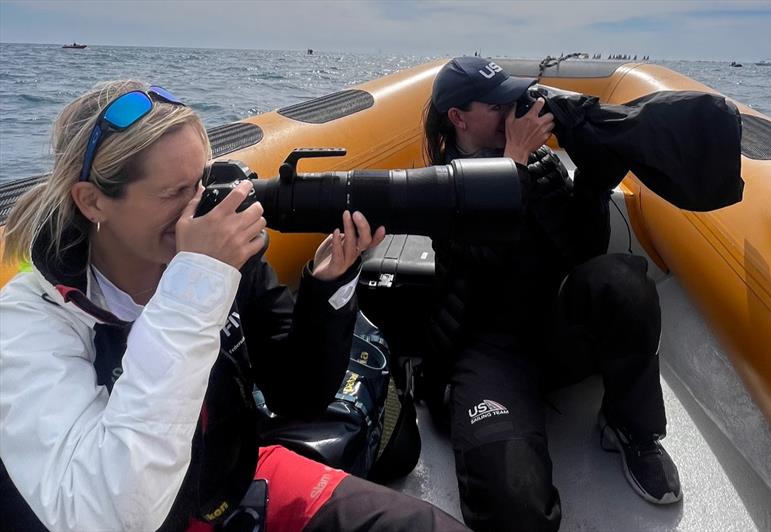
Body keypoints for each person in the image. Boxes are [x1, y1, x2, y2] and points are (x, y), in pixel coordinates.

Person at [0, 80, 469, 532]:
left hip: (232, 485)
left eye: (201, 183)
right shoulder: (32, 322)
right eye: (173, 194)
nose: (199, 209)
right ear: (93, 201)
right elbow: (105, 510)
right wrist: (194, 284)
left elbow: (299, 396)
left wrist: (327, 287)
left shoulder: (224, 262)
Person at [422, 57, 682, 532]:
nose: (513, 108)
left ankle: (632, 427)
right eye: (497, 103)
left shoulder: (540, 163)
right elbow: (480, 260)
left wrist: (592, 182)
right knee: (514, 507)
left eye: (513, 97)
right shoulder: (443, 181)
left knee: (621, 280)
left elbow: (583, 252)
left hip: (554, 329)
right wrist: (512, 165)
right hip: (491, 350)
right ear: (458, 118)